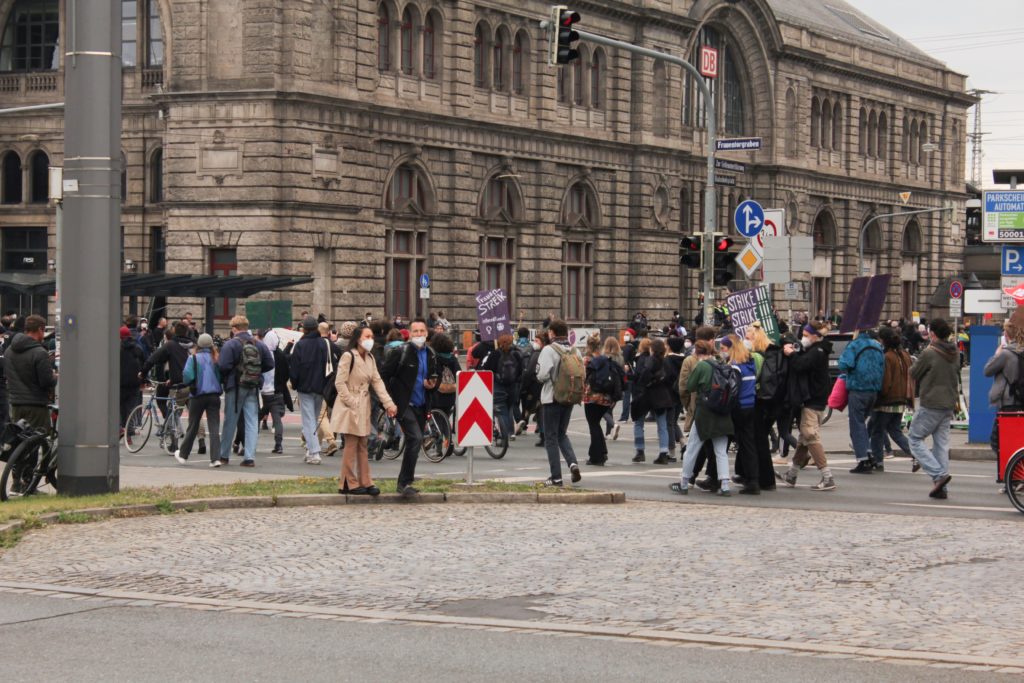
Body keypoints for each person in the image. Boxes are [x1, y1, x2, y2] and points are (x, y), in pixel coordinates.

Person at [331, 325, 398, 495]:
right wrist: (351, 401)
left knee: (363, 443)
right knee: (352, 443)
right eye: (367, 336)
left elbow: (377, 382)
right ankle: (348, 482)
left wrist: (388, 403)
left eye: (371, 336)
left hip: (364, 404)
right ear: (358, 338)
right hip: (351, 404)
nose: (371, 339)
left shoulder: (370, 358)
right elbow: (340, 382)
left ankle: (365, 481)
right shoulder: (348, 356)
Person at [776, 322, 835, 491]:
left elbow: (801, 365)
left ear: (814, 336)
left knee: (810, 437)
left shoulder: (817, 351)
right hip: (816, 399)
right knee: (803, 440)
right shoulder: (819, 349)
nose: (804, 337)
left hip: (812, 400)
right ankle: (792, 475)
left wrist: (791, 354)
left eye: (806, 335)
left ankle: (827, 476)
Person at [669, 339, 733, 496]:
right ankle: (725, 485)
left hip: (705, 412)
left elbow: (690, 386)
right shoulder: (722, 364)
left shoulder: (701, 366)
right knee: (721, 451)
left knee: (692, 448)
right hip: (723, 411)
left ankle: (684, 483)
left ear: (697, 353)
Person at [381, 318, 437, 496]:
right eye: (415, 332)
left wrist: (433, 384)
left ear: (427, 334)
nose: (419, 335)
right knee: (416, 438)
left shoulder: (431, 353)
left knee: (415, 441)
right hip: (404, 404)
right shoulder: (401, 352)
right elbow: (384, 375)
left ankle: (405, 482)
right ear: (410, 334)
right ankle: (404, 483)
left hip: (422, 404)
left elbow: (435, 376)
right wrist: (390, 401)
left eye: (422, 331)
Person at [908, 318, 960, 499]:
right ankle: (941, 488)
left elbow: (914, 372)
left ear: (933, 334)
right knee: (941, 445)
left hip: (931, 403)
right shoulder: (955, 351)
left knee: (914, 439)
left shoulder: (930, 352)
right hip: (948, 403)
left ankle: (939, 475)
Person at [218, 315, 275, 467]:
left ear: (234, 328)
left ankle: (224, 455)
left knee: (230, 420)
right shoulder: (258, 344)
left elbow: (223, 366)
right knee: (251, 421)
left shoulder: (230, 344)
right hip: (253, 386)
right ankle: (249, 457)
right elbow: (270, 364)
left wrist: (230, 375)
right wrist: (256, 372)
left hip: (235, 386)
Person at [535, 319, 582, 487]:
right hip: (569, 397)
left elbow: (541, 375)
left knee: (551, 438)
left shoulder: (549, 349)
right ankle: (573, 463)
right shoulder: (575, 350)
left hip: (552, 397)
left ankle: (556, 477)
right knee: (562, 433)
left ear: (552, 333)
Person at [140, 322, 199, 453]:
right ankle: (201, 443)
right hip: (193, 384)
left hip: (178, 383)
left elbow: (153, 358)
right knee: (195, 414)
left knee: (172, 411)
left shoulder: (171, 345)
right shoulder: (193, 345)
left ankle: (174, 443)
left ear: (175, 331)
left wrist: (143, 372)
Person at [841, 327, 886, 474]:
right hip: (874, 391)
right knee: (862, 423)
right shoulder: (877, 346)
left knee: (856, 424)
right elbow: (882, 367)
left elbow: (844, 364)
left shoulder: (854, 345)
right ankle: (868, 453)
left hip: (858, 388)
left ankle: (863, 458)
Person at [174, 334, 223, 466]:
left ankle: (183, 455)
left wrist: (189, 382)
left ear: (198, 345)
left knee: (193, 425)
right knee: (214, 427)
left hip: (197, 395)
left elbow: (187, 376)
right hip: (214, 396)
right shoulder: (216, 358)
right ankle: (215, 458)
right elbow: (220, 376)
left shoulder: (193, 358)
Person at [870, 325, 915, 469]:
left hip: (887, 400)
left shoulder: (887, 357)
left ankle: (878, 462)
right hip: (902, 398)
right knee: (895, 431)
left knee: (877, 431)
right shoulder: (905, 355)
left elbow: (885, 382)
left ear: (883, 340)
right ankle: (916, 455)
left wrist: (877, 398)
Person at [289, 316, 332, 465]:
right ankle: (310, 449)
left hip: (305, 386)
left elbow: (294, 367)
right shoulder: (323, 343)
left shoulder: (301, 345)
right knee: (313, 418)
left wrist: (294, 384)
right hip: (320, 386)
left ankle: (314, 452)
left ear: (304, 329)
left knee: (308, 420)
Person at [721, 334, 760, 494]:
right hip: (750, 405)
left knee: (734, 443)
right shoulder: (749, 363)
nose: (722, 351)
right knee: (747, 443)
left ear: (731, 348)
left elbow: (733, 391)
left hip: (739, 407)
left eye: (723, 348)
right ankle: (749, 477)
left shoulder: (735, 366)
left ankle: (750, 481)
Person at [4, 315, 57, 433]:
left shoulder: (9, 351)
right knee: (35, 442)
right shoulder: (40, 353)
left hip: (15, 405)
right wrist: (55, 377)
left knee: (19, 443)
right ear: (40, 329)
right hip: (35, 406)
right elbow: (46, 381)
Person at [631, 338, 674, 464]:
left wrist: (642, 382)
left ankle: (640, 451)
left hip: (647, 395)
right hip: (661, 395)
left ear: (652, 349)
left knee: (638, 422)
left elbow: (645, 373)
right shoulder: (666, 361)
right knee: (662, 425)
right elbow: (671, 377)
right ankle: (663, 452)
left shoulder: (650, 359)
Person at [582, 335, 617, 466]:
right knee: (596, 425)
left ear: (588, 347)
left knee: (593, 426)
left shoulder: (588, 360)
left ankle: (596, 456)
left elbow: (583, 376)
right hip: (605, 397)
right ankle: (601, 452)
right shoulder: (605, 359)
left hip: (592, 397)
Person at [119, 326, 145, 435]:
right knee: (130, 407)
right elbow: (144, 363)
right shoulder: (137, 347)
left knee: (119, 407)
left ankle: (121, 428)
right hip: (134, 382)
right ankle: (129, 431)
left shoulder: (117, 348)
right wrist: (143, 380)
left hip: (120, 382)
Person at [618, 329, 638, 422]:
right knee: (634, 396)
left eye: (627, 334)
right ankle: (635, 416)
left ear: (631, 336)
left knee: (626, 396)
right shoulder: (636, 346)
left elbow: (625, 362)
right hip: (635, 374)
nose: (625, 336)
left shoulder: (627, 347)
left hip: (628, 374)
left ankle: (624, 416)